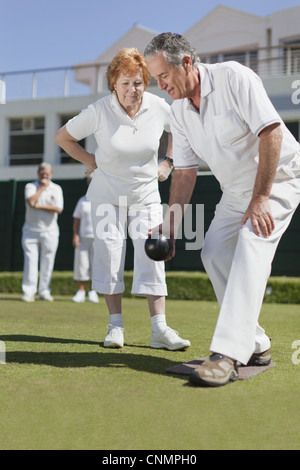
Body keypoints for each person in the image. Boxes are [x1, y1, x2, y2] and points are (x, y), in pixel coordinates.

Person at [144, 33, 300, 386]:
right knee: (214, 252)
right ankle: (257, 343)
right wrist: (170, 227)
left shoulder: (234, 77)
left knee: (251, 244)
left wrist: (260, 200)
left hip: (277, 180)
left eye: (163, 76)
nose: (161, 85)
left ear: (186, 63)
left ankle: (228, 354)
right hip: (235, 191)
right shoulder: (180, 112)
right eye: (156, 80)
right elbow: (183, 174)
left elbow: (271, 133)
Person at [55, 47, 190, 351]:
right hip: (106, 198)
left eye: (138, 82)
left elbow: (180, 131)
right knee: (110, 258)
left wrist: (168, 161)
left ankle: (160, 330)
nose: (132, 89)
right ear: (113, 84)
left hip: (146, 197)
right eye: (125, 83)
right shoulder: (99, 110)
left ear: (147, 82)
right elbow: (63, 137)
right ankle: (115, 326)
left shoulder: (158, 107)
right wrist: (90, 161)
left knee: (154, 257)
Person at [21, 163, 64, 302]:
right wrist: (42, 188)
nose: (44, 176)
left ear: (50, 175)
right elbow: (30, 202)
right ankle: (29, 292)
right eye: (42, 173)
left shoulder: (57, 189)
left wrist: (38, 205)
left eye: (47, 174)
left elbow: (58, 208)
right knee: (30, 261)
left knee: (48, 262)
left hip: (50, 231)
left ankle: (44, 291)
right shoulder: (30, 186)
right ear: (38, 173)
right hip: (30, 231)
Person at [72, 174, 99, 303]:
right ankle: (81, 292)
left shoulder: (103, 200)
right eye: (90, 181)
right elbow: (76, 220)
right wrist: (76, 235)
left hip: (97, 239)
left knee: (95, 265)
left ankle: (93, 292)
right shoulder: (82, 200)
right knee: (81, 265)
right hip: (83, 238)